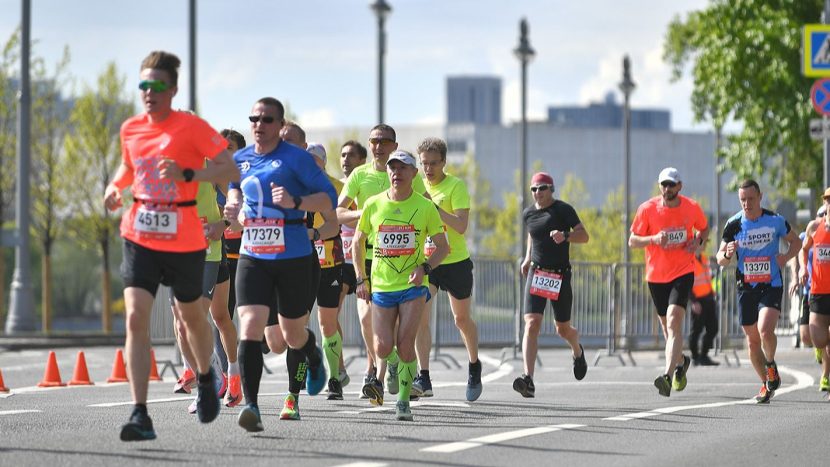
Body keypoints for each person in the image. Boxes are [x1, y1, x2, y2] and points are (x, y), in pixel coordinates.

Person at [104, 50, 239, 441]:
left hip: (183, 233)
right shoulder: (131, 128)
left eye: (158, 85)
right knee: (134, 318)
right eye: (144, 85)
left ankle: (205, 374)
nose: (149, 92)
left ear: (173, 89)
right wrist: (115, 188)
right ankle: (140, 414)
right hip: (141, 231)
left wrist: (189, 172)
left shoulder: (191, 127)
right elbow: (128, 167)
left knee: (193, 315)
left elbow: (229, 168)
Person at [224, 97, 337, 432]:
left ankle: (310, 362)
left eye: (267, 119)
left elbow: (328, 198)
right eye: (254, 119)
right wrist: (233, 207)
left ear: (279, 122)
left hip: (294, 256)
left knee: (290, 334)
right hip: (253, 255)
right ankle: (253, 406)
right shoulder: (241, 159)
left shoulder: (298, 160)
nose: (259, 124)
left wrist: (296, 202)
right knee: (251, 326)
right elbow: (234, 190)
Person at [352, 150, 449, 420]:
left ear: (413, 174)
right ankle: (393, 366)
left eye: (402, 168)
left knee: (406, 345)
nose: (396, 172)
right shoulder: (373, 204)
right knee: (383, 348)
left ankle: (404, 402)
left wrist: (425, 268)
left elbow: (443, 247)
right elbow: (357, 241)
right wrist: (362, 278)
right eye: (392, 168)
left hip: (413, 286)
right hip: (382, 286)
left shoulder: (425, 206)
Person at [337, 125, 430, 400]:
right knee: (366, 320)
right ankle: (381, 366)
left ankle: (387, 375)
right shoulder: (359, 174)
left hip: (402, 262)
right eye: (374, 141)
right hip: (366, 256)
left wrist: (426, 258)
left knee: (402, 331)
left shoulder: (407, 173)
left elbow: (424, 208)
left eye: (385, 141)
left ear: (394, 145)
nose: (378, 146)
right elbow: (339, 212)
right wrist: (363, 214)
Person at [717, 179, 800, 403]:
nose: (747, 204)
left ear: (760, 197)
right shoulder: (733, 224)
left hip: (771, 284)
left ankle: (771, 363)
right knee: (752, 342)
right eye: (743, 200)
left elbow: (796, 242)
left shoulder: (775, 220)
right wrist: (727, 253)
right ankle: (766, 383)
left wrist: (785, 257)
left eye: (751, 199)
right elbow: (720, 259)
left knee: (765, 329)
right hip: (746, 287)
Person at [412, 137, 482, 401]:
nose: (428, 169)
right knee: (420, 314)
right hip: (428, 262)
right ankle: (424, 376)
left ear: (443, 162)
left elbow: (461, 226)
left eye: (433, 163)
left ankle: (474, 366)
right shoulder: (416, 187)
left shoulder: (456, 186)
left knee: (461, 320)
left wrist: (433, 206)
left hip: (455, 261)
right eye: (424, 164)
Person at [629, 167, 708, 397]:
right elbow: (632, 241)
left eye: (671, 185)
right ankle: (681, 362)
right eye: (664, 184)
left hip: (682, 272)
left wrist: (698, 241)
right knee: (667, 329)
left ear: (680, 186)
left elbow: (703, 228)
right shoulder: (647, 209)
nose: (667, 189)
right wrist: (653, 239)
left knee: (674, 322)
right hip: (656, 276)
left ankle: (666, 375)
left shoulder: (691, 207)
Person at [513, 172, 589, 398]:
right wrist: (527, 258)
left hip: (559, 275)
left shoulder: (563, 210)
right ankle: (528, 379)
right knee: (531, 323)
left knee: (562, 329)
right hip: (537, 273)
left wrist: (565, 235)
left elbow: (584, 236)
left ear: (551, 189)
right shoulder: (528, 213)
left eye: (542, 188)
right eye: (534, 189)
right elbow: (532, 234)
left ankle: (577, 351)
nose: (538, 193)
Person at [306, 142, 352, 401]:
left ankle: (334, 378)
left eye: (316, 159)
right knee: (297, 321)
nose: (312, 163)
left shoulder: (337, 186)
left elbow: (347, 216)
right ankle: (302, 370)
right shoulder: (296, 183)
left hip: (331, 258)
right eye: (307, 159)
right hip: (302, 257)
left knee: (328, 322)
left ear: (323, 162)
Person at [799, 190, 830, 395]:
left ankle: (826, 374)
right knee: (817, 339)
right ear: (825, 203)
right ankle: (821, 350)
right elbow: (803, 250)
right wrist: (803, 268)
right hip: (818, 290)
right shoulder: (814, 227)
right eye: (828, 200)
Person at [791, 206, 827, 367]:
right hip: (810, 289)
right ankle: (819, 345)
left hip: (824, 288)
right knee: (806, 337)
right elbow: (798, 254)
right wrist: (796, 275)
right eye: (821, 214)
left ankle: (826, 375)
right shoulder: (809, 233)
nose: (822, 217)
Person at [689, 242, 719, 366]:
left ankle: (703, 355)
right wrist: (693, 301)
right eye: (703, 242)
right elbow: (687, 283)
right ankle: (695, 357)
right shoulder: (689, 261)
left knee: (713, 328)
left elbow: (705, 277)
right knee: (696, 330)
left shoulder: (703, 258)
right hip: (698, 300)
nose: (705, 244)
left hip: (708, 298)